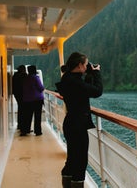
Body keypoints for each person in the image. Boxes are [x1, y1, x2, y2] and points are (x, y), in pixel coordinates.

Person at [55, 52, 103, 188]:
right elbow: (97, 91)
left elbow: (84, 91)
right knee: (80, 161)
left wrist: (88, 74)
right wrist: (97, 73)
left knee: (72, 159)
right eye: (86, 64)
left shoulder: (68, 79)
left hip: (71, 123)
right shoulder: (75, 82)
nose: (87, 66)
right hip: (78, 126)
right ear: (80, 65)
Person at [22, 65, 45, 136]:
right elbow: (41, 88)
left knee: (28, 115)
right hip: (37, 100)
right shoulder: (35, 78)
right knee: (37, 116)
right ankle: (38, 131)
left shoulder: (25, 78)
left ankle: (26, 130)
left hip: (27, 100)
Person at [12, 65, 27, 130]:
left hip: (17, 94)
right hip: (23, 94)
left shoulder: (15, 76)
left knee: (20, 109)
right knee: (24, 110)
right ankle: (23, 126)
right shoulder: (23, 75)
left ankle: (20, 125)